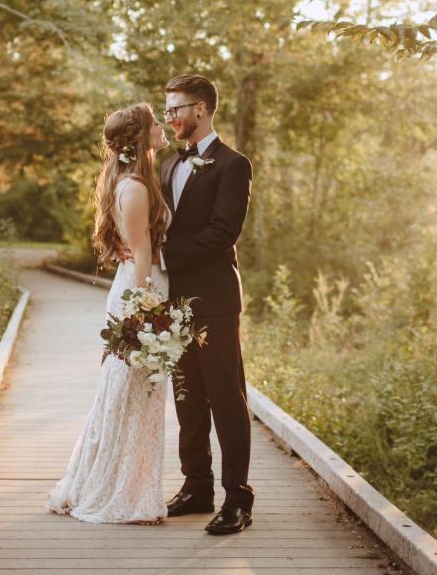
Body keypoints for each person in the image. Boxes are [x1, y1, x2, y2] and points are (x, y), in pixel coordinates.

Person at [46, 103, 172, 524]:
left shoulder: (137, 181)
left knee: (133, 398)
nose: (162, 127)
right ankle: (120, 493)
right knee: (130, 399)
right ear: (140, 136)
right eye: (156, 122)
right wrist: (143, 315)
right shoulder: (134, 187)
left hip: (141, 289)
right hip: (139, 295)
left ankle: (129, 487)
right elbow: (140, 255)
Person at [157, 74, 255, 535]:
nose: (170, 117)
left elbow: (223, 233)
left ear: (201, 108)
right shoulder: (166, 165)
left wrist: (161, 256)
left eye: (176, 108)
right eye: (167, 110)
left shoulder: (233, 165)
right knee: (187, 396)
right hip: (171, 298)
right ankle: (197, 486)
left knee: (226, 398)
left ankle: (239, 498)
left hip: (215, 300)